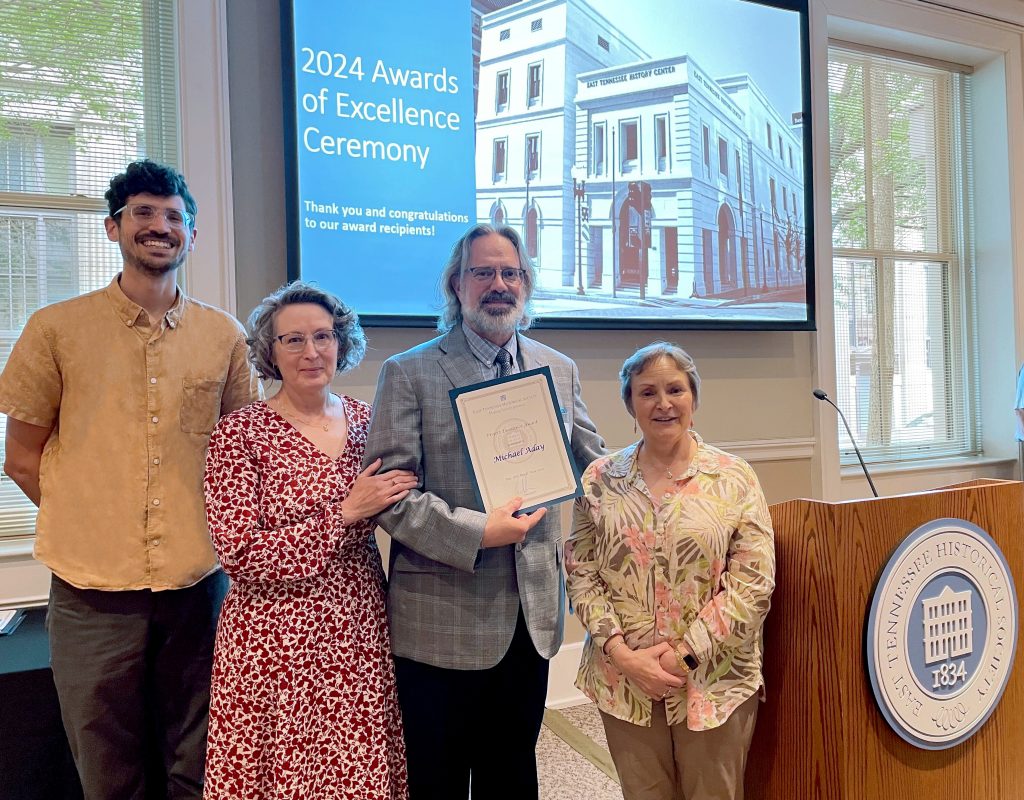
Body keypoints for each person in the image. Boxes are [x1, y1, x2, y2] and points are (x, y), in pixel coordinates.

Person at [0, 159, 261, 798]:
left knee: (196, 761)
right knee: (106, 765)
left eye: (174, 216)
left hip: (198, 585)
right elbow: (22, 458)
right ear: (113, 229)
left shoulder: (222, 336)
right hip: (91, 589)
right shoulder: (56, 329)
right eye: (143, 213)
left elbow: (240, 452)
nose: (159, 226)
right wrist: (89, 514)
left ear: (192, 237)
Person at [364, 224, 606, 799]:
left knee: (512, 775)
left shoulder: (559, 368)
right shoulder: (408, 372)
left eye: (511, 273)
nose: (499, 285)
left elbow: (596, 468)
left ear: (526, 284)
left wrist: (675, 471)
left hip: (532, 617)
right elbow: (389, 497)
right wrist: (480, 532)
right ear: (456, 283)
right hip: (441, 618)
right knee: (439, 781)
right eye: (483, 272)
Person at [202, 282, 415, 799]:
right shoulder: (239, 433)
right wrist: (342, 514)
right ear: (269, 351)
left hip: (357, 627)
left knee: (354, 766)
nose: (311, 351)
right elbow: (239, 552)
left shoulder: (369, 422)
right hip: (272, 641)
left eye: (323, 336)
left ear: (342, 342)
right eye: (292, 340)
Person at [565, 342, 776, 800]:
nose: (663, 403)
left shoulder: (734, 477)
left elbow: (752, 586)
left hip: (713, 682)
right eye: (647, 392)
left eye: (675, 389)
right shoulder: (599, 480)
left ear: (694, 400)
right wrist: (625, 657)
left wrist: (681, 657)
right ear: (630, 404)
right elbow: (582, 573)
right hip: (623, 682)